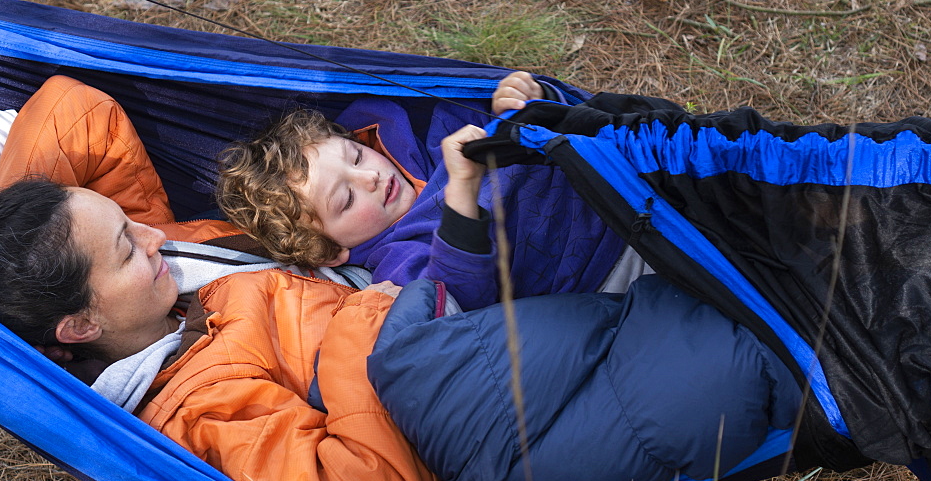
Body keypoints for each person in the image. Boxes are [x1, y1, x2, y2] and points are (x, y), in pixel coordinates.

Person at [0, 175, 800, 481]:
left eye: (132, 222)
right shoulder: (198, 400)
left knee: (644, 206)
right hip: (471, 405)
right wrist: (362, 325)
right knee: (771, 344)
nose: (158, 236)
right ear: (79, 328)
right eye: (127, 248)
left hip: (456, 321)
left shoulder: (174, 285)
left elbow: (74, 108)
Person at [216, 72, 675, 310]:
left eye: (355, 158)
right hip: (613, 269)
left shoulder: (433, 128)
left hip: (629, 182)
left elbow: (540, 133)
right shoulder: (398, 263)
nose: (369, 178)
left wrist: (518, 102)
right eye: (347, 199)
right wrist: (461, 191)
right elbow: (459, 296)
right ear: (330, 250)